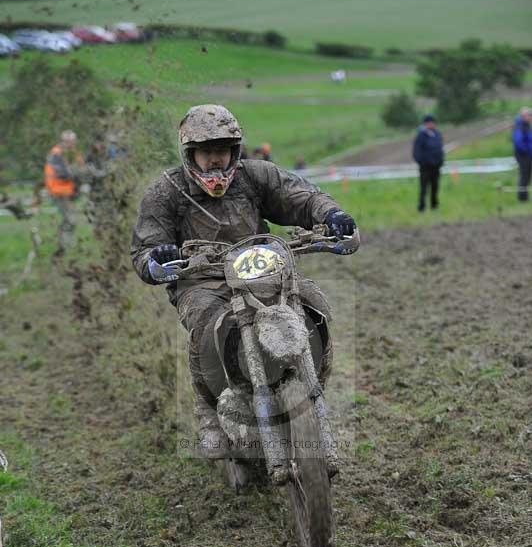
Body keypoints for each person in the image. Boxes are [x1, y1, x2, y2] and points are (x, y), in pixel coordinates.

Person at [131, 104, 357, 459]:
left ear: (234, 151)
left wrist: (331, 213)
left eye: (222, 150)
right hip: (202, 279)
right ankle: (208, 414)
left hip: (263, 269)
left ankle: (313, 384)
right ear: (191, 154)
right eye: (206, 152)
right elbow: (144, 250)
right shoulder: (167, 191)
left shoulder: (255, 176)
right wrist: (157, 256)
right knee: (205, 324)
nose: (215, 160)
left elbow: (301, 196)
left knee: (313, 304)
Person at [44, 130, 85, 254]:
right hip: (59, 191)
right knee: (70, 219)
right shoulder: (56, 154)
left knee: (69, 219)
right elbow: (63, 173)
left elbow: (82, 168)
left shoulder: (73, 153)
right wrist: (77, 172)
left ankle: (66, 245)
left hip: (69, 191)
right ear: (64, 141)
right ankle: (65, 246)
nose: (72, 144)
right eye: (69, 141)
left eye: (73, 141)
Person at [412, 114, 444, 212]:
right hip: (425, 167)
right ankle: (421, 207)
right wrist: (421, 162)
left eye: (433, 123)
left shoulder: (437, 134)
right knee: (424, 188)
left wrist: (440, 161)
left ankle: (434, 206)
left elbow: (440, 149)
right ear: (425, 124)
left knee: (435, 187)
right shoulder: (421, 136)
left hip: (436, 166)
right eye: (429, 123)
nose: (431, 124)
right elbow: (416, 151)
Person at [512, 107, 532, 202]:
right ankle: (522, 198)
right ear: (524, 116)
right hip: (523, 154)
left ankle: (525, 197)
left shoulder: (526, 125)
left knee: (527, 175)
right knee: (524, 175)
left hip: (527, 154)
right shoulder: (520, 126)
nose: (531, 117)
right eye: (529, 115)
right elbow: (518, 141)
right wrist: (527, 150)